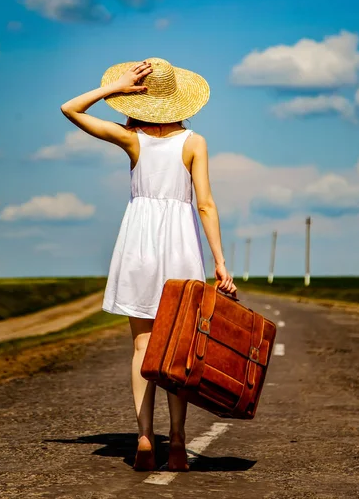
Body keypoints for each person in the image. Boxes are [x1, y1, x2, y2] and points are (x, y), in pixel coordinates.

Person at [61, 57, 236, 473]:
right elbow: (206, 204)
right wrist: (221, 262)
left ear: (140, 99)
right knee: (177, 349)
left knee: (142, 345)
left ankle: (143, 437)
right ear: (178, 99)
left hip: (138, 242)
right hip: (180, 245)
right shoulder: (194, 142)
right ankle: (176, 442)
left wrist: (114, 87)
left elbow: (70, 109)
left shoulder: (131, 138)